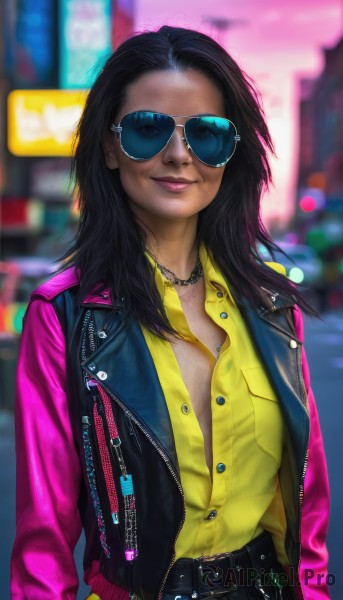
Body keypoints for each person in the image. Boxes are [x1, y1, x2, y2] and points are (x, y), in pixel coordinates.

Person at [11, 25, 330, 600]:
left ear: (232, 154)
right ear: (108, 145)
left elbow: (308, 518)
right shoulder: (63, 315)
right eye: (147, 128)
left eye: (206, 134)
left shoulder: (274, 308)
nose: (179, 154)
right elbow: (45, 544)